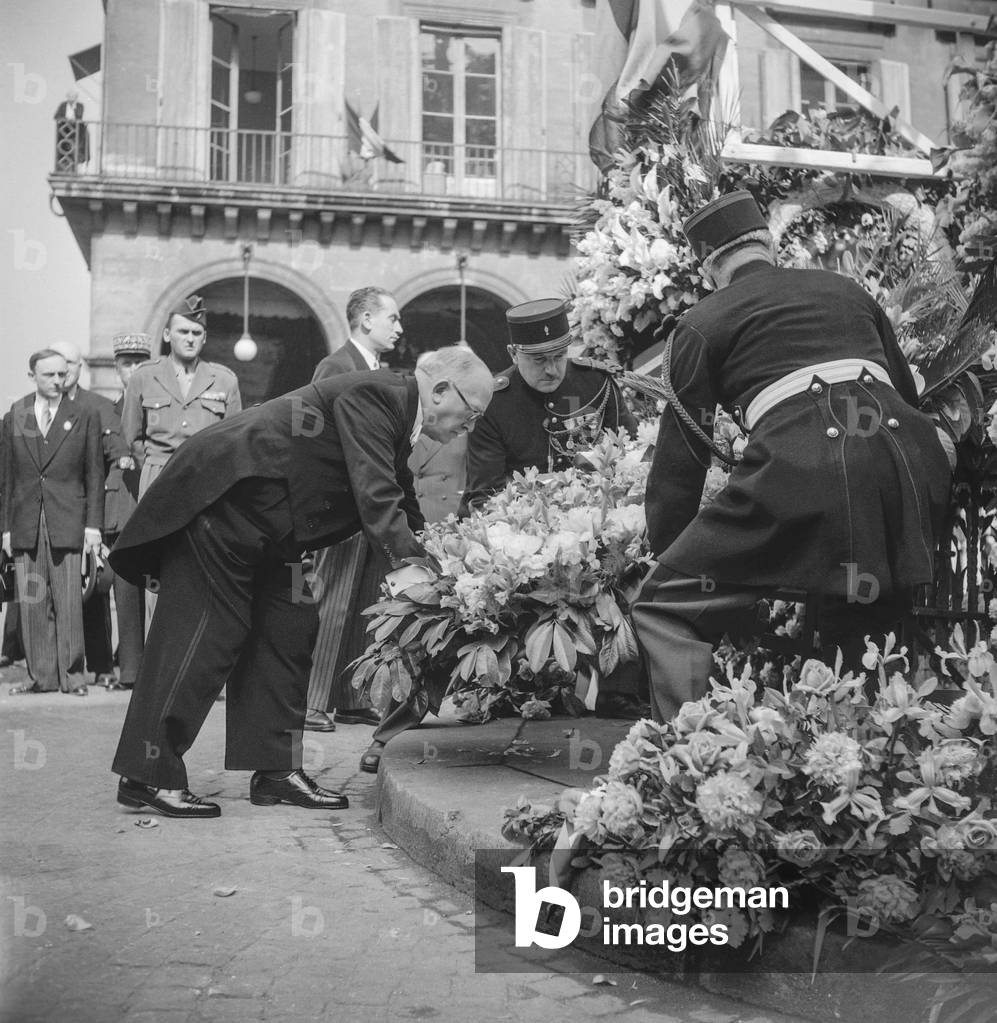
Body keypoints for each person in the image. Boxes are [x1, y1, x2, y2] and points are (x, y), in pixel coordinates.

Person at [109, 346, 495, 818]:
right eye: (471, 413)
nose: (469, 426)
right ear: (439, 391)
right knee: (205, 631)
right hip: (225, 503)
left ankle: (274, 770)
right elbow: (375, 496)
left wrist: (443, 562)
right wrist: (415, 578)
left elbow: (399, 497)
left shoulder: (399, 413)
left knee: (289, 628)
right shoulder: (379, 393)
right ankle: (148, 773)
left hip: (271, 527)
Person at [631, 190, 953, 723]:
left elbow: (682, 457)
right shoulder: (845, 290)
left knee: (667, 609)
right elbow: (906, 391)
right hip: (908, 462)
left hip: (805, 467)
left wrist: (670, 552)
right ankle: (874, 756)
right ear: (769, 246)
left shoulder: (701, 320)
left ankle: (690, 760)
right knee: (864, 616)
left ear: (711, 269)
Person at [304, 286, 403, 732]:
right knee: (332, 602)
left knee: (364, 600)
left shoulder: (373, 368)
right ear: (366, 319)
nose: (399, 328)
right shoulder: (337, 365)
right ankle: (310, 701)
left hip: (368, 502)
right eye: (393, 319)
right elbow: (318, 437)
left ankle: (349, 696)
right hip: (341, 504)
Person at [121, 294, 241, 626]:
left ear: (205, 338)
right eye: (183, 332)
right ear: (167, 335)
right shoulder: (144, 376)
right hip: (158, 479)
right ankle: (159, 667)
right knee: (157, 572)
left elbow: (234, 440)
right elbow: (131, 436)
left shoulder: (224, 379)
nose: (189, 339)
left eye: (196, 333)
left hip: (207, 486)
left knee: (204, 568)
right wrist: (153, 471)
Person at [461, 297, 638, 514]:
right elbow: (486, 494)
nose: (552, 369)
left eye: (559, 356)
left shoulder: (597, 382)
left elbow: (631, 454)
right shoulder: (492, 402)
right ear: (513, 354)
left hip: (601, 511)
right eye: (539, 360)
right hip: (526, 523)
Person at [1, 350, 104, 695]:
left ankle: (73, 677)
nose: (58, 381)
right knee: (32, 602)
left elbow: (93, 472)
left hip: (68, 519)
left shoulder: (84, 414)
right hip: (26, 521)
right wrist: (5, 529)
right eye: (49, 375)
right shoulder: (17, 414)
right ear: (32, 376)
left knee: (69, 601)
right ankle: (40, 677)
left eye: (62, 374)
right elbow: (7, 479)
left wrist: (93, 527)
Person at [50, 339, 129, 688]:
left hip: (87, 512)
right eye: (56, 363)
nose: (63, 371)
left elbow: (116, 459)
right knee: (50, 592)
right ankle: (56, 666)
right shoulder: (36, 409)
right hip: (49, 512)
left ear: (80, 366)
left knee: (93, 590)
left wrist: (100, 514)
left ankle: (100, 665)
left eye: (69, 363)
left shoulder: (97, 406)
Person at [102, 333, 152, 689]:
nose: (132, 370)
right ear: (117, 367)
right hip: (121, 509)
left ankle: (156, 668)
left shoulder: (156, 404)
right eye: (126, 363)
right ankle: (131, 670)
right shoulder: (105, 409)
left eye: (139, 363)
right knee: (125, 591)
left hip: (150, 506)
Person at [54, 90, 89, 171]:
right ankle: (65, 161)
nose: (71, 99)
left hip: (76, 128)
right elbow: (56, 116)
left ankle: (78, 160)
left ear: (76, 98)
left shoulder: (80, 106)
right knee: (65, 145)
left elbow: (79, 116)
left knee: (77, 144)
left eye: (73, 97)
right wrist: (65, 119)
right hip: (65, 129)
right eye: (69, 97)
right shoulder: (63, 105)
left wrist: (72, 114)